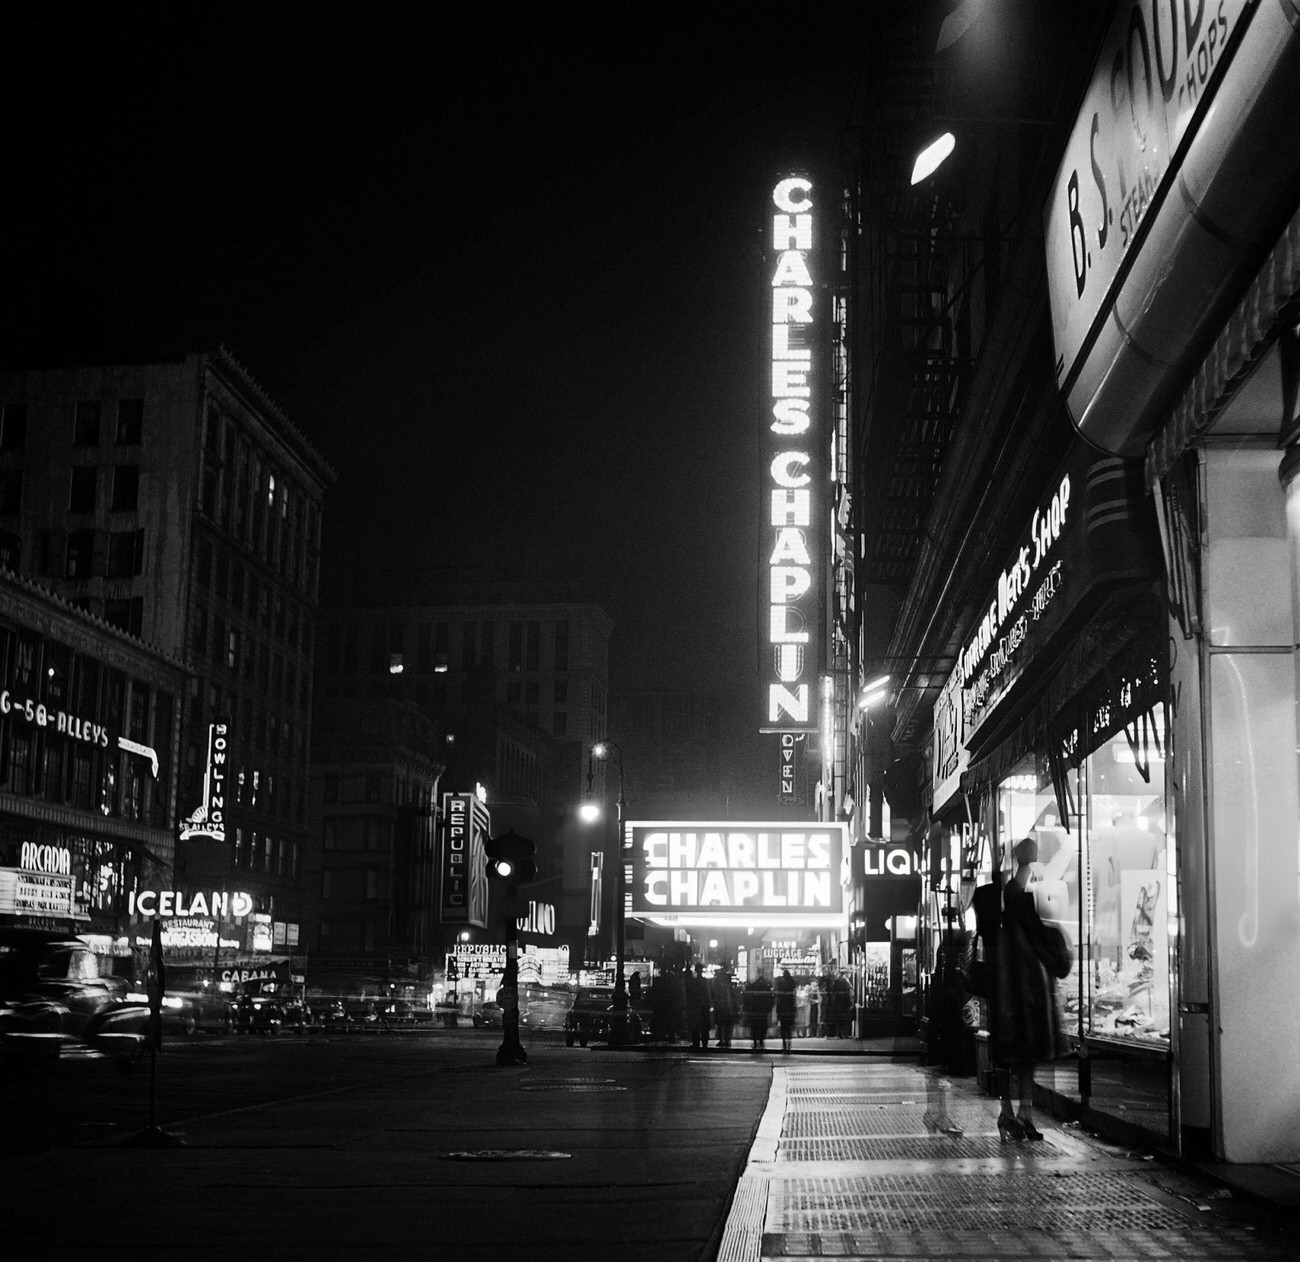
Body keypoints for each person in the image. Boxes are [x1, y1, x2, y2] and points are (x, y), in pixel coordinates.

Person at [977, 835, 1072, 1142]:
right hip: (1025, 994)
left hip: (1006, 992)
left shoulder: (994, 907)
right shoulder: (1014, 896)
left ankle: (1012, 1115)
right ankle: (1021, 1115)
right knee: (1024, 1060)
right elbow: (1019, 893)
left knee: (1009, 1058)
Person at [742, 974, 773, 1050]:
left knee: (754, 1026)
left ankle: (755, 1040)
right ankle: (761, 1040)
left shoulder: (750, 988)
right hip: (762, 1011)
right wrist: (768, 1008)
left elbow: (745, 1000)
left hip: (754, 1011)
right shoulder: (766, 988)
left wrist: (747, 1009)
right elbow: (770, 1000)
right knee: (762, 1026)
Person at [684, 963, 712, 1050]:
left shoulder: (693, 982)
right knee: (704, 1026)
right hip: (704, 1005)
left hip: (696, 1005)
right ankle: (704, 1043)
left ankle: (696, 1043)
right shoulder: (706, 982)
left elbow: (690, 994)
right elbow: (709, 994)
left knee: (695, 1026)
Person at [711, 963, 737, 1048]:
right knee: (726, 1023)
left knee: (721, 1023)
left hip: (721, 1004)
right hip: (726, 1005)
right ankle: (726, 1039)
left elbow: (715, 992)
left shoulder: (718, 980)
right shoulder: (729, 980)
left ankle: (723, 1040)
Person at [773, 968, 797, 1052]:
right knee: (789, 1028)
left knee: (783, 1028)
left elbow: (777, 998)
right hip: (789, 1009)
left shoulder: (781, 986)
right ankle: (788, 1045)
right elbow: (793, 998)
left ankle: (784, 1044)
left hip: (782, 1010)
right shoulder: (791, 985)